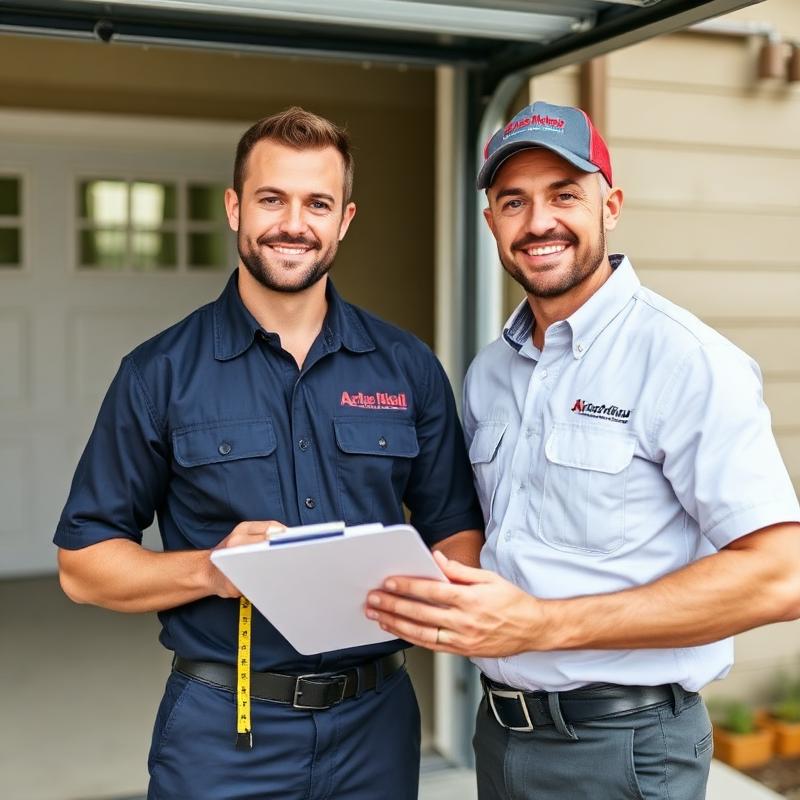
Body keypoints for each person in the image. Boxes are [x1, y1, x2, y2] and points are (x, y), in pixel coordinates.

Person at [366, 100, 800, 799]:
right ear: (492, 223)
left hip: (623, 747)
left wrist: (541, 624)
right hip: (501, 734)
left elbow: (781, 577)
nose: (539, 222)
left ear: (611, 205)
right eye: (514, 201)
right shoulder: (490, 375)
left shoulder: (684, 360)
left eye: (564, 194)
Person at [55, 106, 483, 800]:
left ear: (344, 218)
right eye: (271, 198)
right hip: (225, 730)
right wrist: (215, 570)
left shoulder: (408, 367)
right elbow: (82, 566)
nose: (294, 223)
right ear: (234, 208)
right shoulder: (158, 373)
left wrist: (433, 593)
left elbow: (457, 529)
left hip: (377, 726)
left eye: (317, 202)